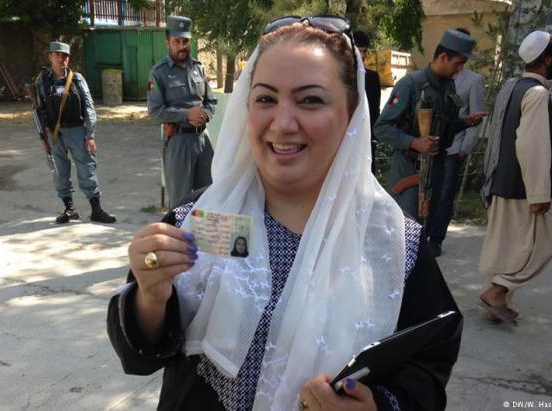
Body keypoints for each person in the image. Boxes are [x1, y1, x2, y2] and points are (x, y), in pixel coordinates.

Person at [108, 16, 462, 411]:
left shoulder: (394, 244)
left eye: (310, 99)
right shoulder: (197, 218)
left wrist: (378, 405)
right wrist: (151, 295)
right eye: (265, 99)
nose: (283, 122)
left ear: (351, 114)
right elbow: (141, 355)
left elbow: (430, 364)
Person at [374, 29, 486, 256]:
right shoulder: (410, 85)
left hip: (436, 167)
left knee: (425, 231)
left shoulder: (448, 86)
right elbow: (381, 128)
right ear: (443, 57)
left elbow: (443, 127)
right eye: (458, 63)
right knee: (405, 233)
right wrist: (414, 142)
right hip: (408, 168)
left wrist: (464, 123)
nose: (459, 69)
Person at [478, 30, 552, 326]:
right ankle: (496, 292)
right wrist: (540, 193)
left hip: (501, 182)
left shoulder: (511, 86)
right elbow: (532, 144)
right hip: (524, 189)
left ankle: (496, 307)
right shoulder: (537, 94)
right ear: (548, 59)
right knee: (544, 245)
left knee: (505, 248)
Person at [34, 41, 116, 224]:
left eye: (64, 56)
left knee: (87, 168)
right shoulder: (42, 81)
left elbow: (88, 106)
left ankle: (96, 210)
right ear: (50, 57)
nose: (61, 59)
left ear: (68, 59)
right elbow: (39, 107)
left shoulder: (77, 79)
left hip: (77, 130)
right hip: (55, 134)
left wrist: (90, 135)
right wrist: (44, 133)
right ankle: (69, 209)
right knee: (59, 171)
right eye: (57, 55)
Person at [426, 28, 486, 256]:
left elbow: (476, 114)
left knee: (444, 197)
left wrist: (465, 149)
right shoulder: (435, 78)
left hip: (454, 148)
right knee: (427, 196)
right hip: (431, 149)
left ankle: (436, 239)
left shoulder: (474, 80)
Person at [147, 15, 217, 208]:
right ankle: (179, 238)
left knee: (209, 197)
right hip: (179, 142)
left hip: (203, 141)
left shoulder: (198, 68)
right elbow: (154, 111)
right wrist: (186, 115)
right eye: (177, 41)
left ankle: (203, 238)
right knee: (180, 203)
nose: (182, 46)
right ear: (168, 42)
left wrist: (205, 115)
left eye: (185, 41)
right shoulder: (159, 72)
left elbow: (211, 100)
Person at [353, 31, 382, 174]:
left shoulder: (372, 77)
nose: (363, 55)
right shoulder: (340, 77)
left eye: (365, 51)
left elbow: (375, 109)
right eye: (359, 50)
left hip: (366, 138)